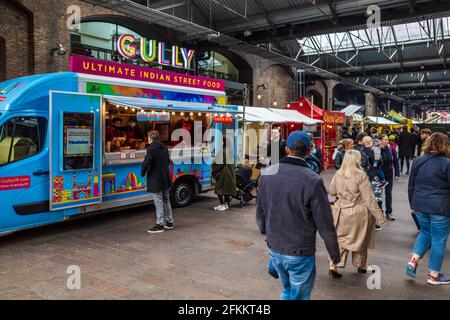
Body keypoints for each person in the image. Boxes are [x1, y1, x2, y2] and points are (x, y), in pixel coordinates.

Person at [256, 130, 340, 300]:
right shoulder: (312, 180)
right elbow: (325, 222)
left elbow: (261, 209)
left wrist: (265, 230)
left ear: (287, 149)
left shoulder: (267, 174)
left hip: (275, 247)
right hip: (299, 250)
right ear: (309, 150)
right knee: (299, 295)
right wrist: (334, 253)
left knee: (286, 291)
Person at [328, 150, 387, 278]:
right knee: (360, 240)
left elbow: (332, 192)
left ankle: (333, 265)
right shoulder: (361, 175)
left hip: (340, 211)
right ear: (357, 160)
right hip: (358, 212)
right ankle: (361, 265)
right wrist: (380, 217)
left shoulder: (338, 174)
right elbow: (369, 198)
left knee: (340, 240)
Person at [405, 133, 450, 285]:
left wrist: (412, 204)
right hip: (440, 207)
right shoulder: (447, 163)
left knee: (425, 232)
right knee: (439, 239)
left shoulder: (418, 161)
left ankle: (413, 260)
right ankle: (434, 276)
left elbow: (411, 185)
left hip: (419, 204)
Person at [141, 130, 174, 234]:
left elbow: (147, 162)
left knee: (158, 200)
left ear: (150, 138)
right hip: (165, 177)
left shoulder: (151, 149)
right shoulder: (164, 147)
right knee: (166, 200)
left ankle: (159, 224)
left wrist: (142, 172)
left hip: (155, 178)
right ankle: (169, 222)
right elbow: (168, 161)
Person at [212, 138, 237, 212]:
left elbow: (219, 164)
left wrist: (214, 170)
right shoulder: (230, 150)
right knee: (226, 189)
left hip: (223, 173)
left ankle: (222, 204)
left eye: (222, 140)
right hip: (230, 173)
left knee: (218, 189)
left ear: (224, 142)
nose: (221, 142)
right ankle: (226, 205)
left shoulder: (223, 151)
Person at [380, 134, 400, 221]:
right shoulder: (377, 150)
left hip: (389, 174)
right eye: (385, 139)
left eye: (387, 139)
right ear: (381, 140)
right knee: (378, 195)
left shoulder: (391, 149)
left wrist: (397, 174)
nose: (387, 141)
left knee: (389, 194)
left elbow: (396, 162)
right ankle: (379, 213)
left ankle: (389, 212)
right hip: (379, 176)